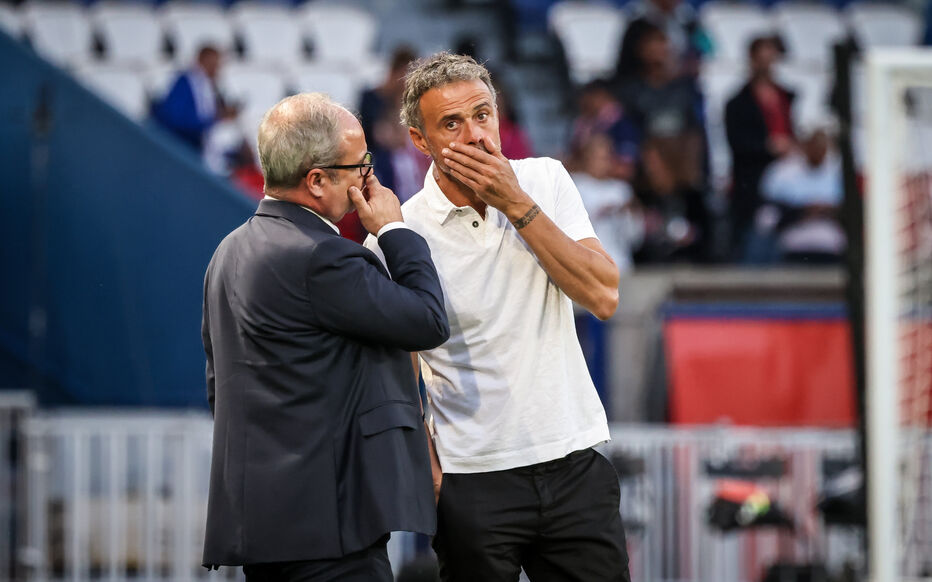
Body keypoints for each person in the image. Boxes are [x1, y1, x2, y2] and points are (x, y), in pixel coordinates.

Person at [367, 52, 630, 582]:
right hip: (472, 480)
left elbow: (603, 295)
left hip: (573, 458)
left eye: (483, 115)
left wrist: (517, 204)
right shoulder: (400, 233)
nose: (475, 135)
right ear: (421, 141)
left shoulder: (546, 180)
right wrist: (433, 473)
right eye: (452, 123)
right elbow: (400, 369)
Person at [201, 93, 450, 581]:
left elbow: (220, 390)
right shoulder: (323, 257)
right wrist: (395, 230)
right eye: (359, 165)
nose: (367, 178)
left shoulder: (226, 253)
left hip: (264, 531)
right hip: (332, 533)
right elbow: (427, 321)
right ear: (316, 180)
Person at [724, 35, 796, 260]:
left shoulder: (787, 97)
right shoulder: (737, 103)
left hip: (786, 176)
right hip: (753, 179)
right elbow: (736, 141)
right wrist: (769, 147)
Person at [755, 121, 845, 264]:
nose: (817, 148)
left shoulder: (838, 172)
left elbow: (849, 212)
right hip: (791, 239)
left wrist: (827, 211)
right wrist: (802, 212)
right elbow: (765, 219)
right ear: (803, 143)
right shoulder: (781, 172)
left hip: (831, 242)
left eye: (822, 143)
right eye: (813, 142)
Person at [152, 45, 238, 153]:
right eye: (213, 64)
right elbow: (177, 118)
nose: (217, 69)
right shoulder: (186, 83)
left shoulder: (208, 87)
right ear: (202, 60)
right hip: (182, 147)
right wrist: (217, 117)